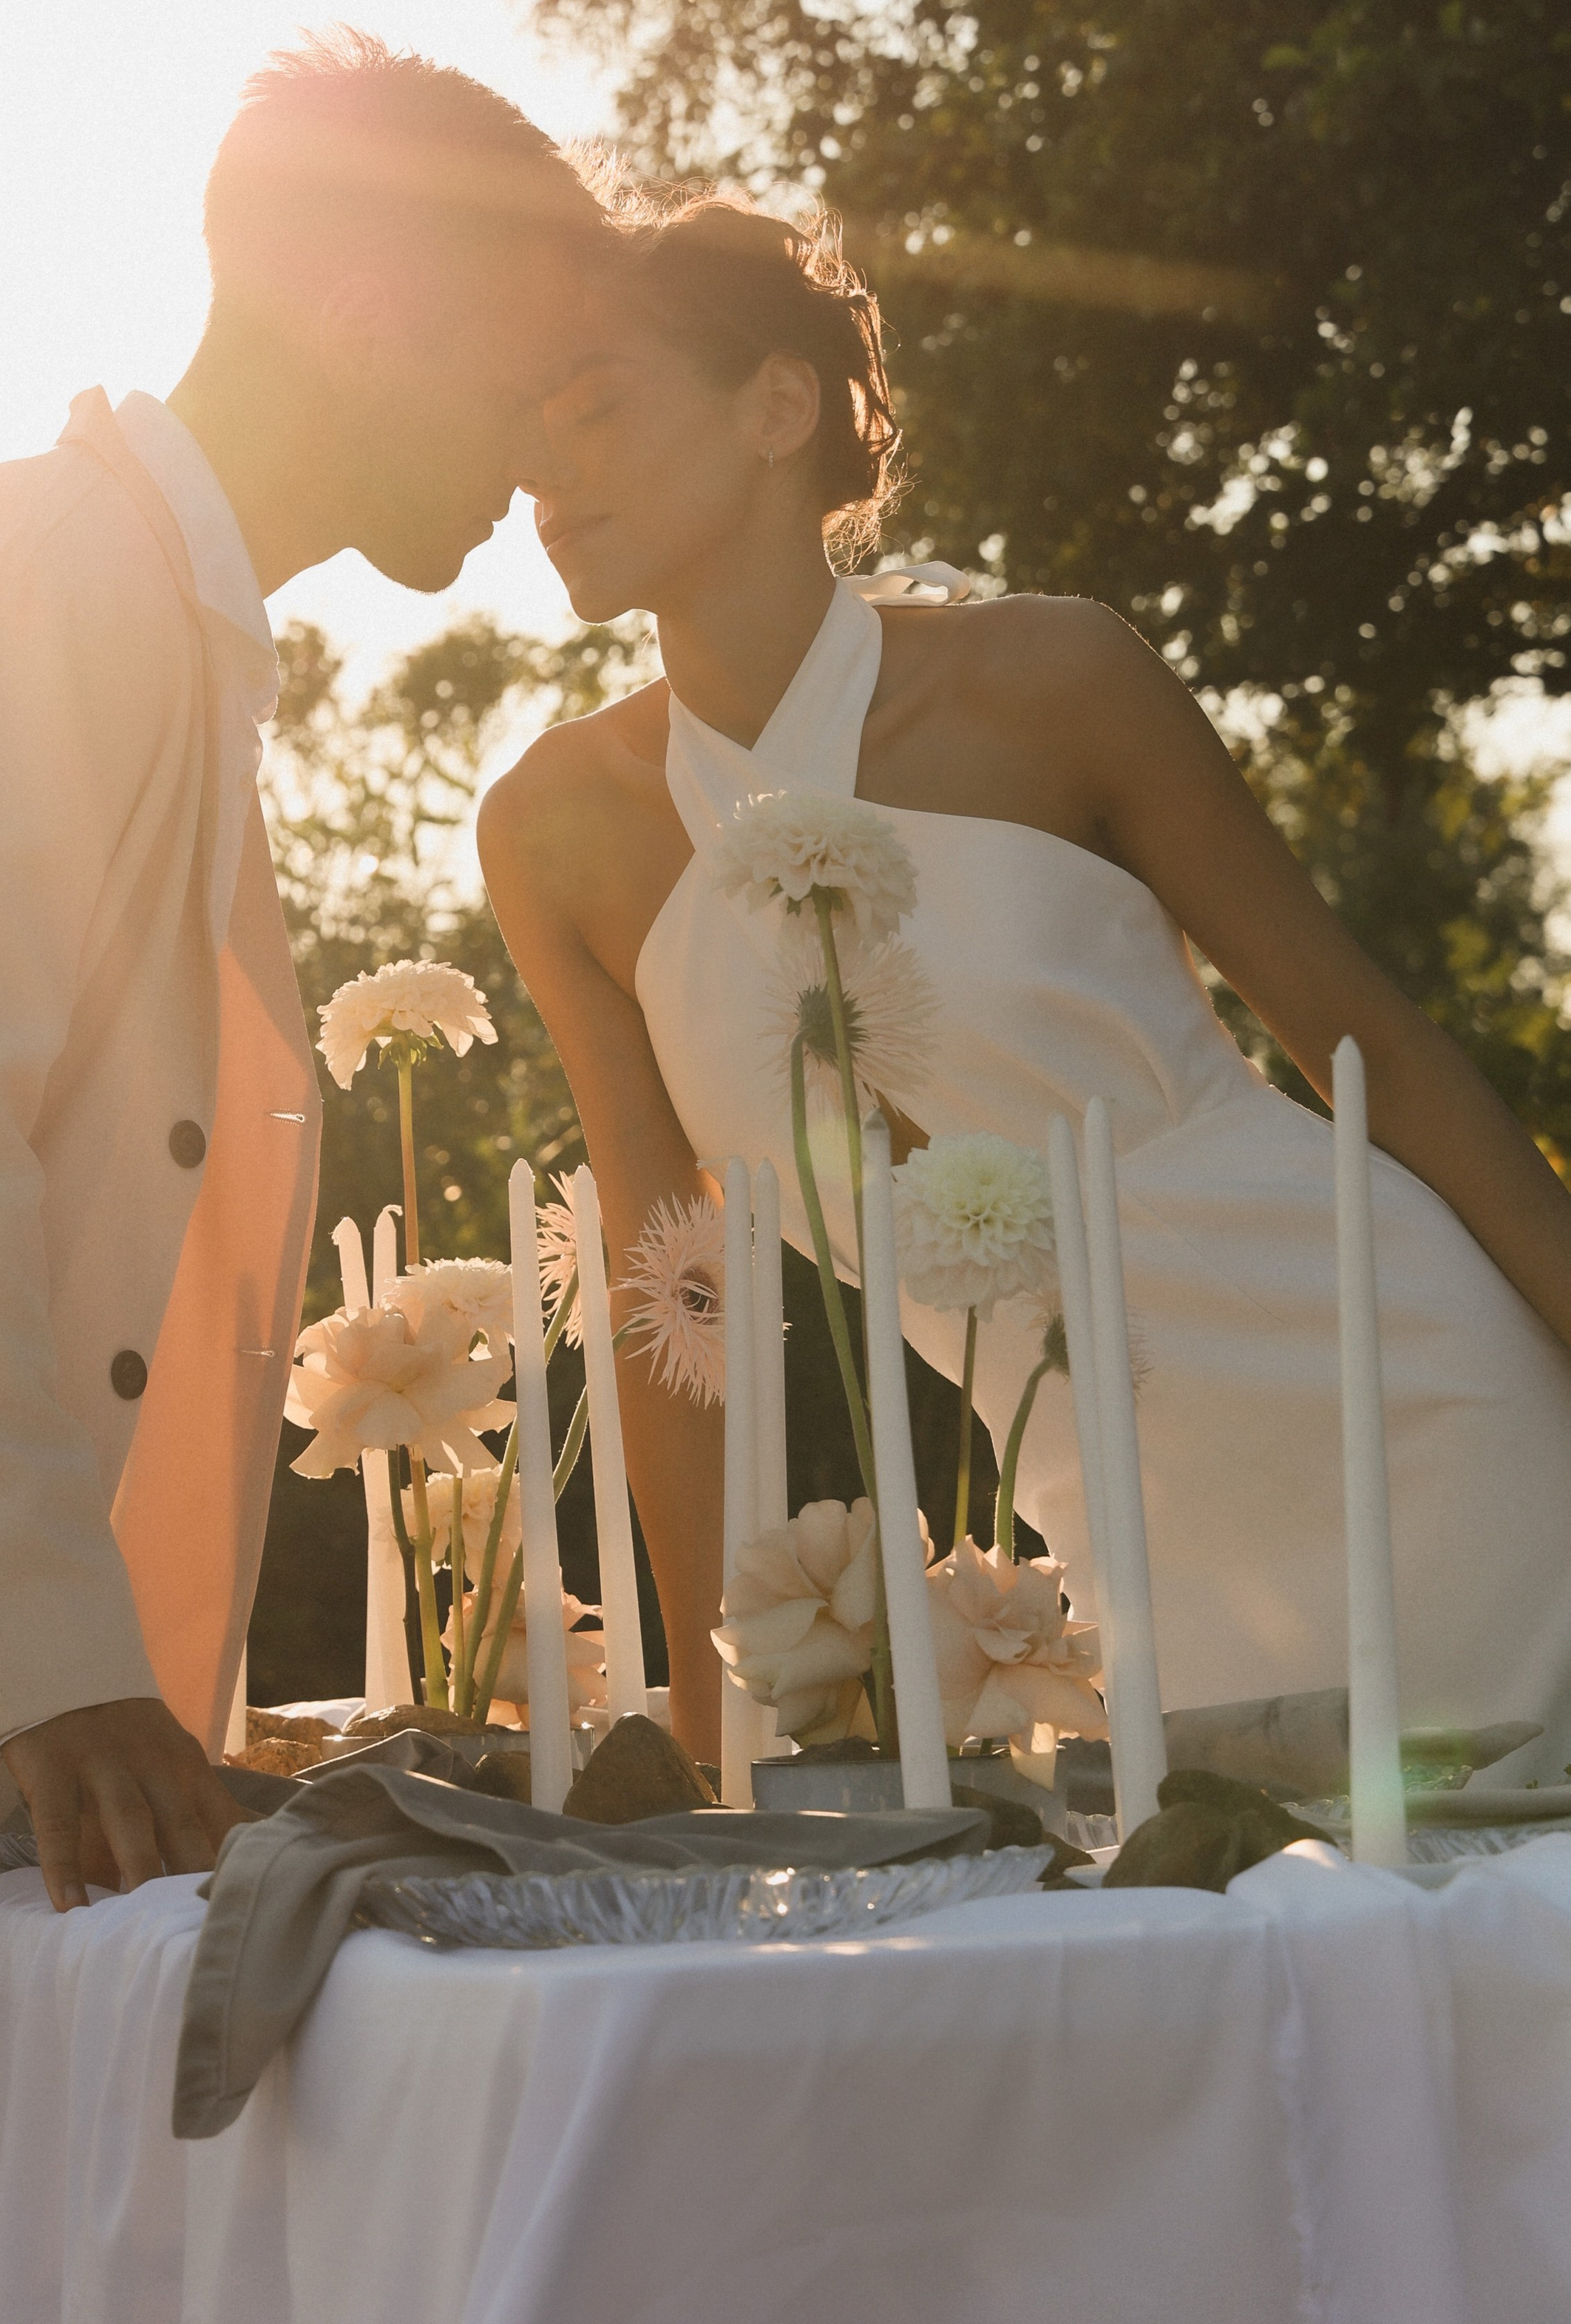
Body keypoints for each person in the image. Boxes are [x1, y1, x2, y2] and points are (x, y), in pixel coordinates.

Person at [0, 28, 603, 2322]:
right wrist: (54, 1668)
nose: (539, 439)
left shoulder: (157, 627)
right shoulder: (34, 574)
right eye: (527, 358)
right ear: (373, 299)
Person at [482, 186, 1571, 1774]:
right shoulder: (554, 832)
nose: (542, 474)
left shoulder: (1055, 681)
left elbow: (1373, 1051)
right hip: (1113, 1517)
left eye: (591, 408)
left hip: (1406, 1388)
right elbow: (678, 1304)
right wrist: (716, 1722)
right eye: (524, 435)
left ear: (777, 406)